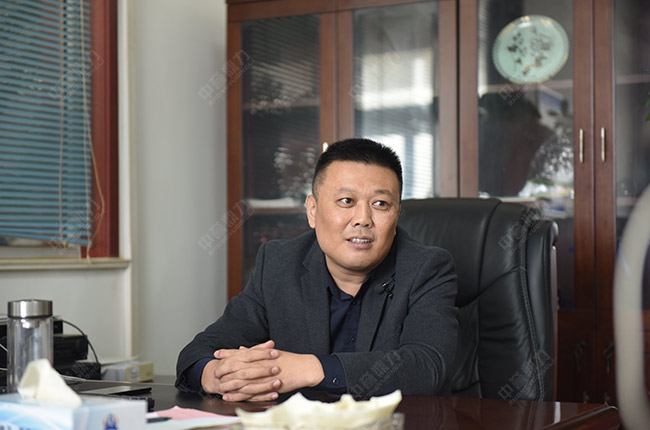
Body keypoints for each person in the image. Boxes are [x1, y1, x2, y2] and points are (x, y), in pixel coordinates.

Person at [175, 138, 458, 402]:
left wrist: (307, 369)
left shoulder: (426, 268)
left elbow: (427, 366)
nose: (363, 219)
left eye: (380, 204)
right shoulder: (278, 263)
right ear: (312, 210)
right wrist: (217, 375)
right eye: (346, 201)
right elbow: (200, 351)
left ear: (396, 215)